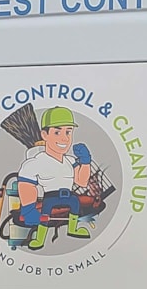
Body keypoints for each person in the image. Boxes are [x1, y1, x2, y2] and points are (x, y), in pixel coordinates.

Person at [16, 106, 92, 250]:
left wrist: (86, 162)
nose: (64, 138)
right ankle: (40, 238)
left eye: (68, 132)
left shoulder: (70, 161)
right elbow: (26, 184)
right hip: (50, 198)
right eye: (57, 132)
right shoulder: (37, 161)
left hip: (70, 196)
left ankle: (73, 229)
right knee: (45, 213)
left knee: (75, 204)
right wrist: (28, 208)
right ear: (44, 135)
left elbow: (82, 181)